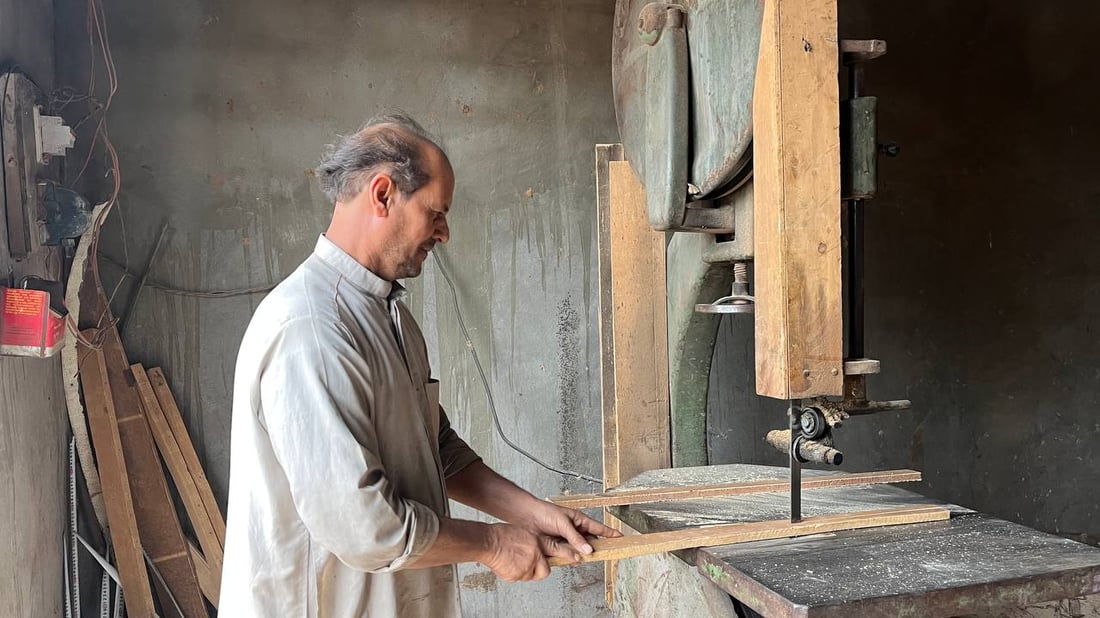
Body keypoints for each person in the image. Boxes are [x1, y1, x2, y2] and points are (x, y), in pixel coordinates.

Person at [219, 113, 618, 617]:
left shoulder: (390, 316)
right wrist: (492, 544)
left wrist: (533, 513)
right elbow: (365, 528)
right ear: (383, 195)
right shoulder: (311, 329)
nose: (444, 233)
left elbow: (436, 450)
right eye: (436, 212)